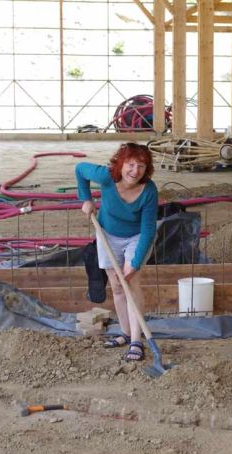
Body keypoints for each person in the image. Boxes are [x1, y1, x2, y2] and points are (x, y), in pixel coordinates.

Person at [76, 143, 158, 362]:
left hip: (136, 237)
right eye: (131, 165)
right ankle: (125, 332)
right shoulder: (106, 177)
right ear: (121, 164)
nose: (135, 171)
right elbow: (80, 169)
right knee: (117, 286)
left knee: (130, 284)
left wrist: (135, 261)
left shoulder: (149, 191)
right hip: (108, 234)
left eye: (141, 166)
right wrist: (86, 199)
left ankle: (137, 342)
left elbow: (148, 229)